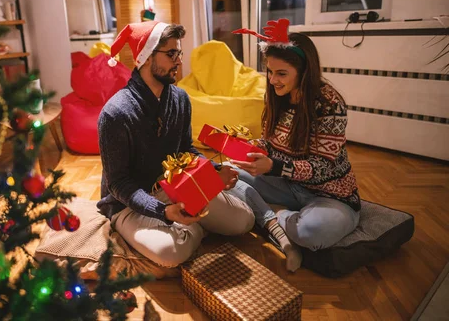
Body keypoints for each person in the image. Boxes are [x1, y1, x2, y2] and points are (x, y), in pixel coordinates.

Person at [97, 21, 255, 268]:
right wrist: (163, 212)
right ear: (146, 57)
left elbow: (187, 150)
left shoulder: (180, 98)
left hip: (176, 185)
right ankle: (190, 228)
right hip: (128, 204)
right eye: (171, 54)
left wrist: (213, 172)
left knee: (244, 221)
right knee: (170, 254)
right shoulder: (116, 113)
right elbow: (117, 184)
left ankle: (186, 226)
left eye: (179, 53)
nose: (179, 61)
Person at [229, 19, 361, 272]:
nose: (272, 79)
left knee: (311, 232)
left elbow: (324, 167)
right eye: (269, 71)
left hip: (329, 195)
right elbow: (270, 144)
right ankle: (275, 220)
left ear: (303, 71)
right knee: (224, 169)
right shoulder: (276, 99)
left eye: (281, 73)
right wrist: (249, 148)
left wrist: (274, 166)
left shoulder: (328, 104)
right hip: (288, 186)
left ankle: (277, 214)